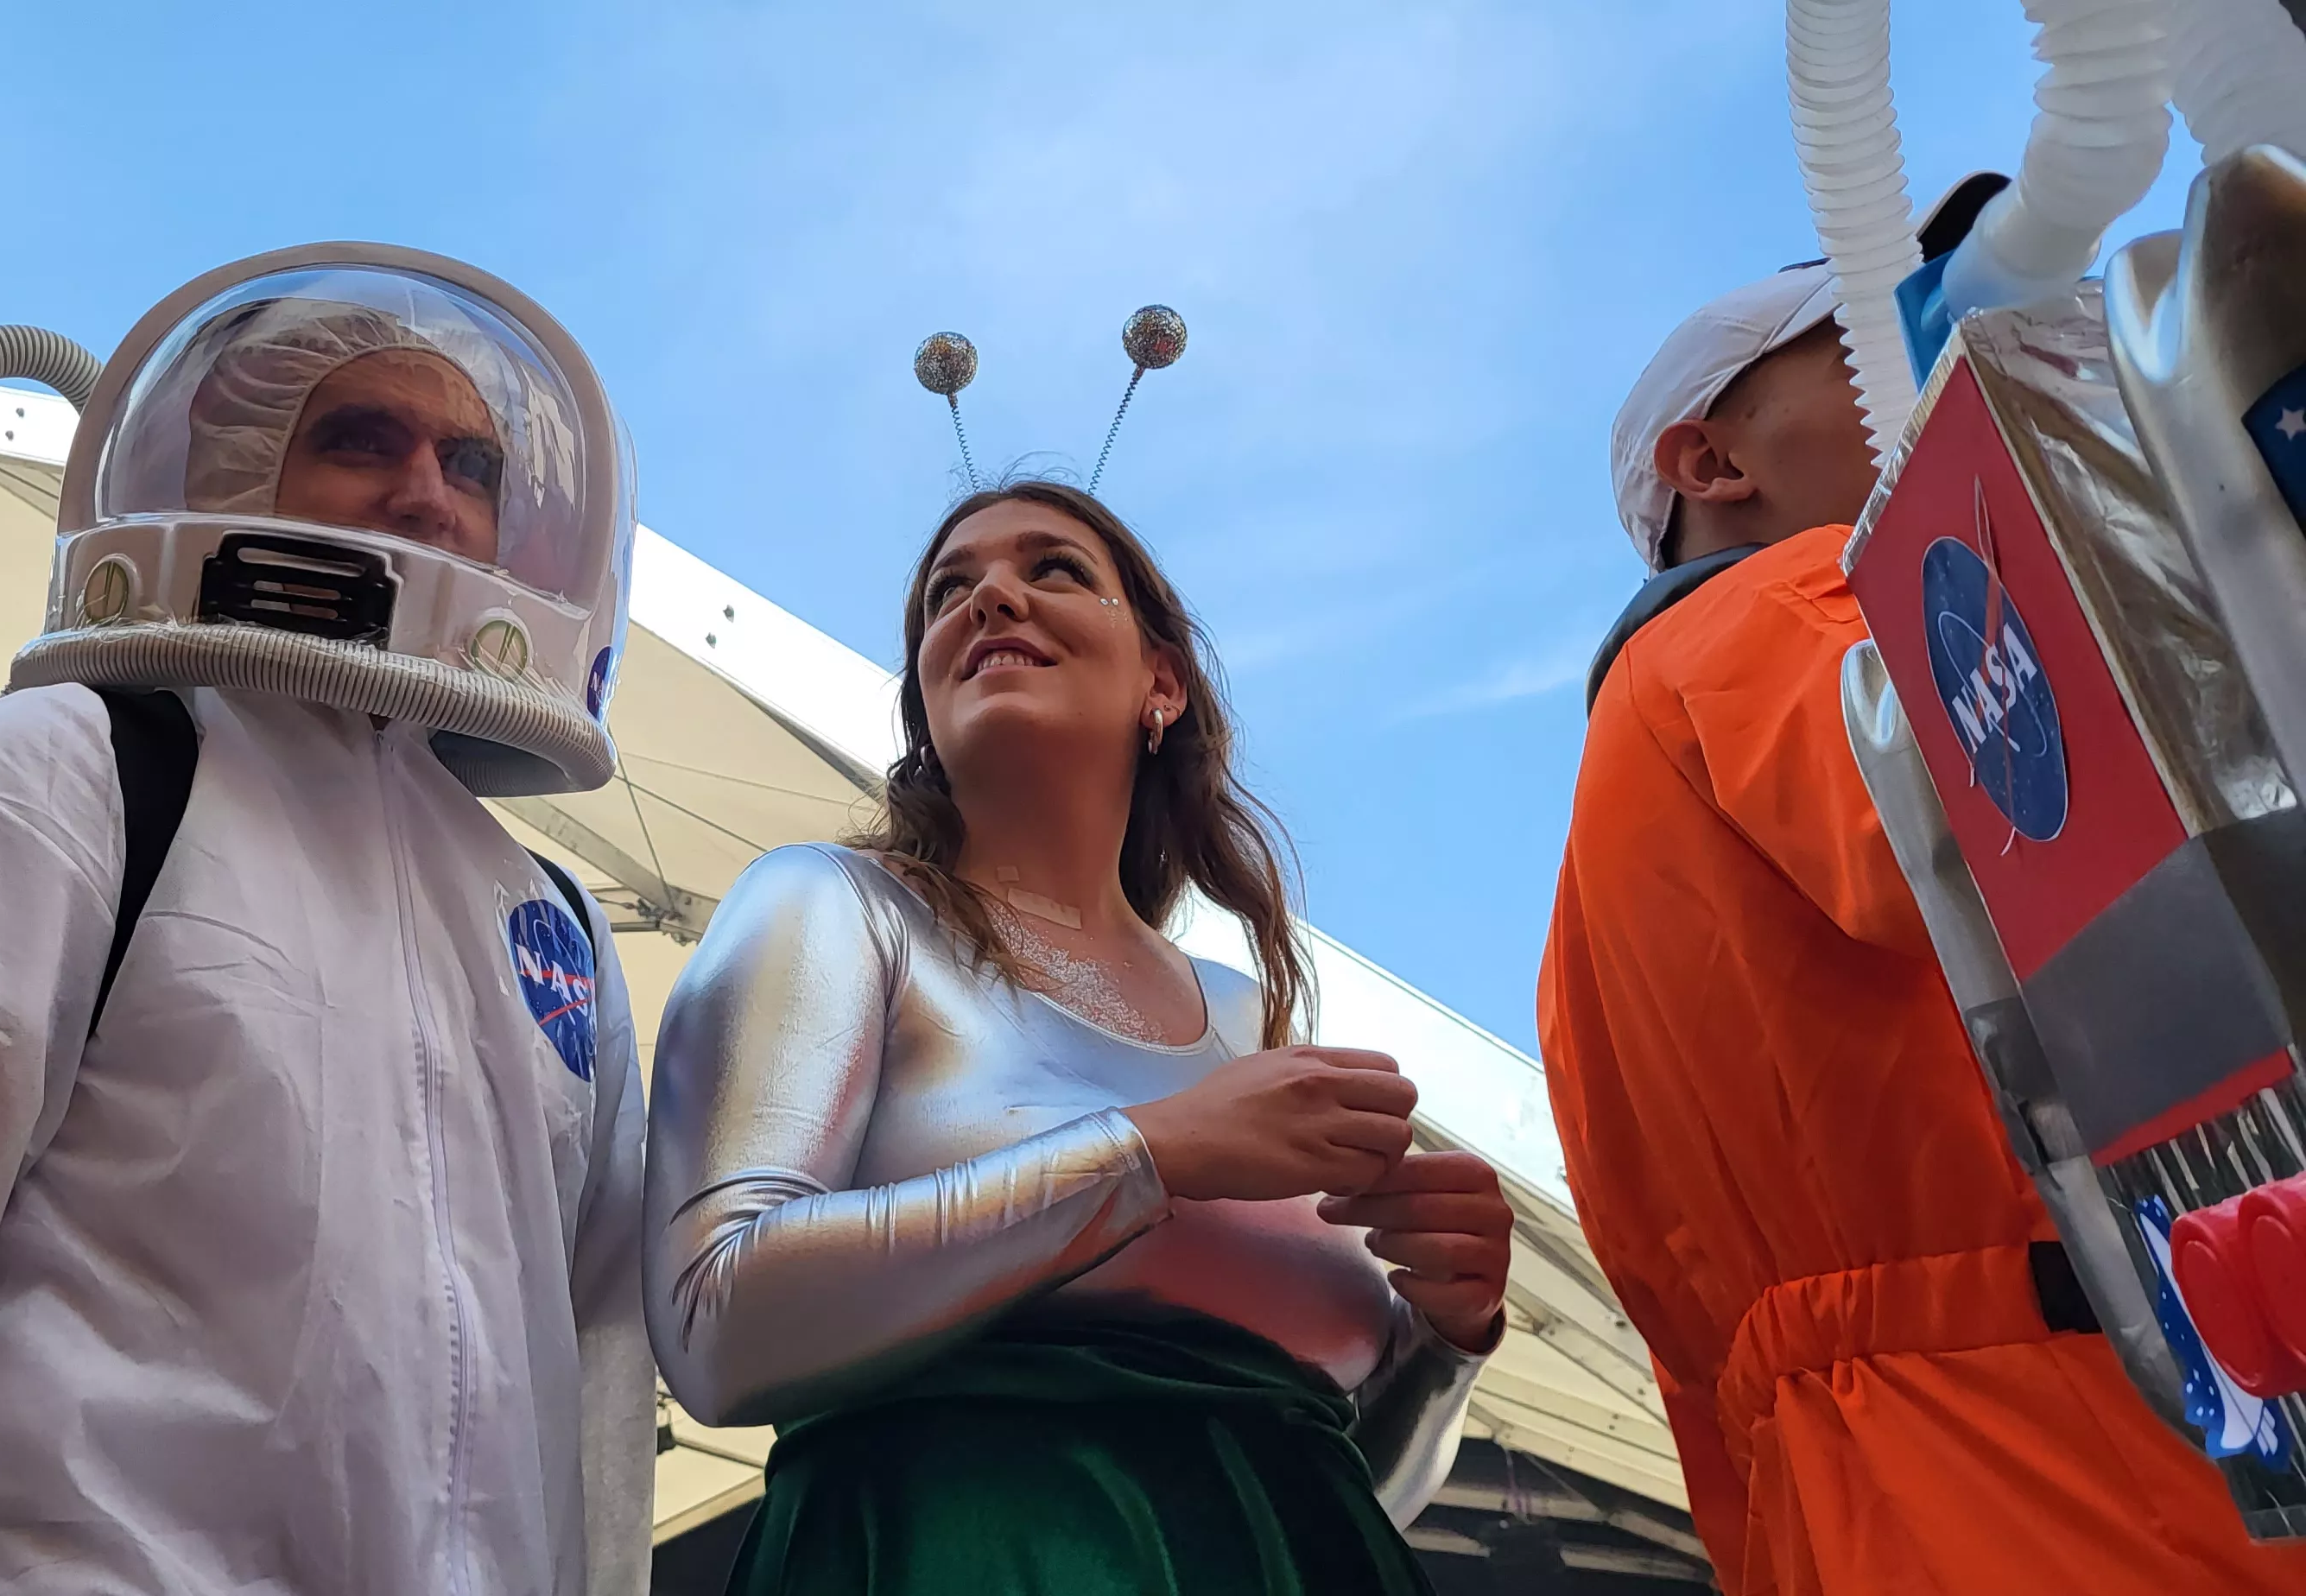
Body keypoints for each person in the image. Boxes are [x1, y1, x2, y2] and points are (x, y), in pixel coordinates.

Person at [0, 250, 656, 1596]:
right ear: (232, 472)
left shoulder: (551, 922)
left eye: (470, 465)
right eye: (363, 440)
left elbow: (599, 1382)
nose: (429, 493)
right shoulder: (61, 771)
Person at [1538, 257, 2306, 1592]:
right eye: (1860, 348)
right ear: (1712, 461)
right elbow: (2019, 816)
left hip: (1882, 1490)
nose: (1920, 360)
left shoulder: (1591, 892)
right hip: (2077, 1445)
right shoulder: (1776, 607)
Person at [643, 478, 1514, 1595]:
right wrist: (1152, 1151)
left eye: (1052, 569)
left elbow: (1340, 1483)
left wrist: (1447, 1336)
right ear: (924, 700)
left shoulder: (1248, 1017)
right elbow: (712, 1322)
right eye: (949, 592)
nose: (990, 597)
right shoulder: (831, 905)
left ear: (1164, 684)